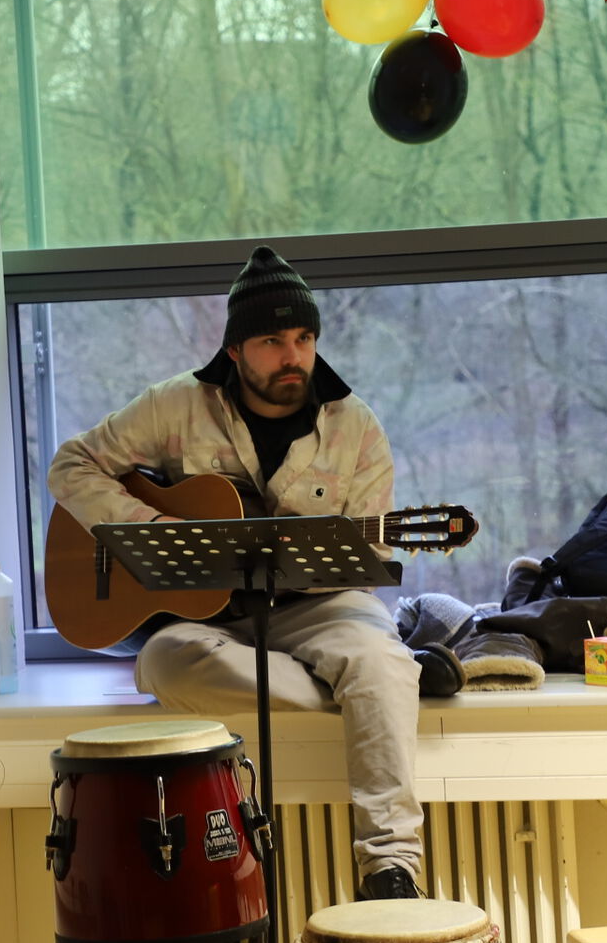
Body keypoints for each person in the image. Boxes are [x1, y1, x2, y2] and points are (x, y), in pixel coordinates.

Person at [47, 247, 426, 898]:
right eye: (273, 342)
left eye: (304, 339)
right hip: (212, 623)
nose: (293, 356)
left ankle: (390, 868)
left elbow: (364, 565)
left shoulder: (356, 428)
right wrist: (154, 533)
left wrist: (307, 561)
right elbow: (70, 465)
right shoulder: (174, 406)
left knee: (379, 661)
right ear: (234, 350)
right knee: (161, 664)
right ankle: (373, 691)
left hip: (319, 606)